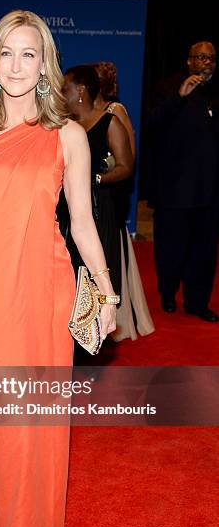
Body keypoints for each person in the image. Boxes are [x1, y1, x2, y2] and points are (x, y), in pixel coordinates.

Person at [0, 10, 118, 527]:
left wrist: (107, 291)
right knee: (5, 418)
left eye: (29, 54)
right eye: (7, 53)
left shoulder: (68, 134)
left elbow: (84, 223)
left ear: (45, 63)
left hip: (48, 285)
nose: (17, 65)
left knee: (43, 417)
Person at [148, 41, 219, 322]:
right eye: (200, 57)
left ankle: (197, 302)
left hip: (210, 189)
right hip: (175, 188)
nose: (206, 62)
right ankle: (168, 294)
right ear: (188, 61)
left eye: (211, 58)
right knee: (171, 248)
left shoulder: (216, 91)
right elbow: (153, 124)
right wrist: (179, 96)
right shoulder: (169, 86)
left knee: (204, 251)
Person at [94, 61, 155, 341]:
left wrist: (102, 170)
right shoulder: (84, 112)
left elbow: (128, 154)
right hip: (95, 195)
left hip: (112, 191)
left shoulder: (115, 110)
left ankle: (119, 317)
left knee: (112, 249)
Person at [62, 65, 134, 297]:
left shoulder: (109, 123)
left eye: (65, 89)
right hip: (64, 207)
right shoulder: (64, 125)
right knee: (68, 269)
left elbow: (125, 167)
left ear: (81, 90)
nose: (61, 94)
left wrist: (96, 179)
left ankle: (98, 325)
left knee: (95, 268)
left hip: (98, 208)